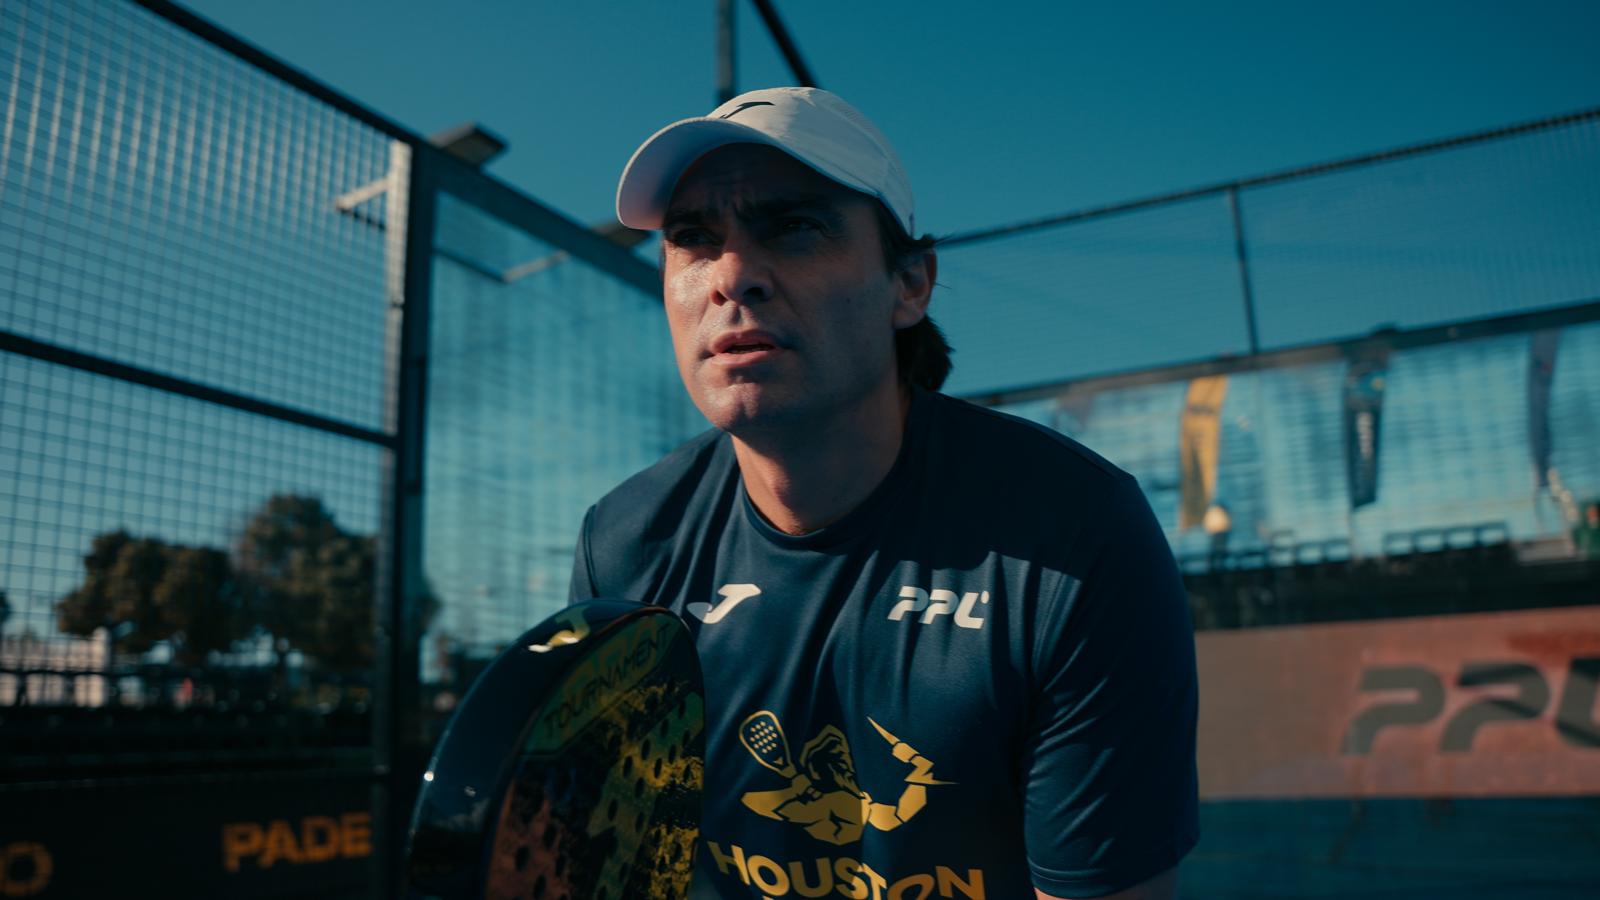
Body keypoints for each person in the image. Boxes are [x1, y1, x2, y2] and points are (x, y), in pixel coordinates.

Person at [569, 87, 1199, 900]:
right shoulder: (622, 545)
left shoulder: (1075, 536)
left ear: (910, 285)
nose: (732, 276)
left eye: (793, 227)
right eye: (693, 239)